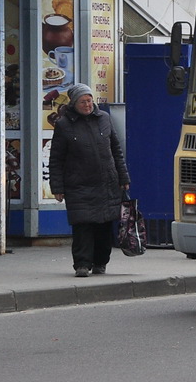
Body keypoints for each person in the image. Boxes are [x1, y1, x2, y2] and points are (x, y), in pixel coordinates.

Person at [49, 83, 130, 277]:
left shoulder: (104, 119)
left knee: (104, 225)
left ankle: (101, 262)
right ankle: (82, 265)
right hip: (79, 184)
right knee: (83, 225)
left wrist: (123, 176)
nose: (87, 105)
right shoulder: (64, 124)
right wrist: (57, 187)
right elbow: (56, 159)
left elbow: (116, 150)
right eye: (83, 101)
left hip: (106, 182)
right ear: (74, 103)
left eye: (89, 100)